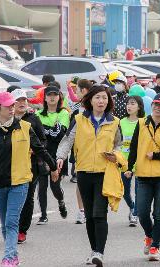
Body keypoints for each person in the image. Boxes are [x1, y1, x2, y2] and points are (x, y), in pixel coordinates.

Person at [0, 92, 57, 267]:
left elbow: (40, 149)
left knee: (12, 221)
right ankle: (12, 254)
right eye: (8, 106)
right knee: (5, 223)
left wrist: (53, 167)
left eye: (12, 105)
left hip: (19, 183)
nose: (12, 108)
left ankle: (10, 257)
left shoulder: (26, 127)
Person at [57, 85, 122, 266]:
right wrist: (60, 158)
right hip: (84, 173)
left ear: (108, 101)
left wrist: (116, 156)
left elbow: (119, 145)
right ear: (90, 100)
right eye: (98, 98)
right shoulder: (78, 119)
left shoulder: (114, 121)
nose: (101, 101)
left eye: (104, 98)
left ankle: (99, 253)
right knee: (90, 216)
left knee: (100, 214)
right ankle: (94, 250)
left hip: (104, 173)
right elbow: (67, 141)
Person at [125, 92, 160, 261]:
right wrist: (129, 167)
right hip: (142, 175)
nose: (157, 107)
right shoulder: (142, 123)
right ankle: (149, 235)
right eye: (155, 104)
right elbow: (133, 148)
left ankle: (155, 246)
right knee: (141, 212)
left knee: (158, 213)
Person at [6, 89, 47, 244]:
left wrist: (33, 149)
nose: (22, 103)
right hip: (9, 165)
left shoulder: (33, 119)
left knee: (27, 196)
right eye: (18, 101)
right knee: (10, 196)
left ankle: (22, 230)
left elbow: (43, 141)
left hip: (31, 166)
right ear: (11, 104)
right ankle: (10, 226)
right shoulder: (6, 119)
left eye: (24, 100)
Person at [35, 86, 70, 224]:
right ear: (44, 98)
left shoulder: (63, 113)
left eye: (55, 95)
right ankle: (43, 215)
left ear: (59, 97)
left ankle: (61, 201)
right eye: (49, 95)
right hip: (42, 153)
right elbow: (37, 135)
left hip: (57, 154)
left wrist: (45, 130)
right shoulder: (38, 114)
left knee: (55, 186)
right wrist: (49, 130)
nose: (52, 97)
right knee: (42, 185)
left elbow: (59, 133)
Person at [67, 79, 93, 224]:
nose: (75, 93)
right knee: (81, 182)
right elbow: (71, 133)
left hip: (96, 151)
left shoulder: (97, 108)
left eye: (77, 90)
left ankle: (94, 209)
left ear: (83, 91)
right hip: (80, 152)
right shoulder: (76, 110)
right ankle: (82, 211)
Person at [120, 96, 145, 227]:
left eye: (133, 104)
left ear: (139, 106)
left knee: (139, 191)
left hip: (139, 160)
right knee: (124, 191)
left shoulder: (143, 122)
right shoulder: (121, 122)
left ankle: (135, 214)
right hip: (124, 161)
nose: (129, 106)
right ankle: (132, 206)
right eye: (127, 104)